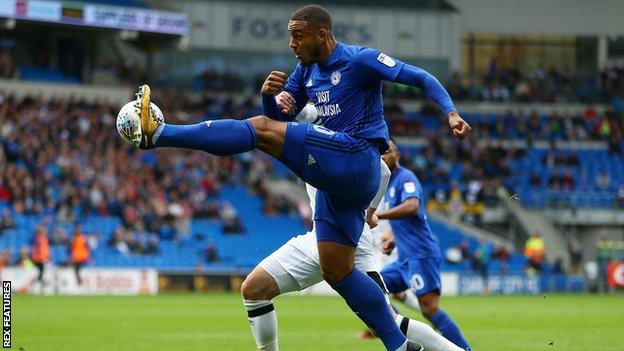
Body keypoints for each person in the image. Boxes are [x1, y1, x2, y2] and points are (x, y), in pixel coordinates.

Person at [121, 5, 470, 350]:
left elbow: (420, 77)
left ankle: (160, 134)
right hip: (339, 187)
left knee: (258, 130)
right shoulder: (304, 73)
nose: (292, 44)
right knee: (338, 272)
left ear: (322, 34)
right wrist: (267, 97)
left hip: (358, 156)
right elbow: (278, 119)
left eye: (297, 36)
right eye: (290, 36)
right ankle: (401, 347)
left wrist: (451, 113)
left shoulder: (360, 60)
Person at [241, 116, 463, 350]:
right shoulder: (320, 126)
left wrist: (369, 213)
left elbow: (384, 170)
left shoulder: (337, 132)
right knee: (254, 289)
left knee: (387, 322)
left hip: (348, 239)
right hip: (320, 237)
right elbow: (384, 172)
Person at [376, 139, 472, 350]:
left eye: (388, 151)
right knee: (373, 289)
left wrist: (378, 215)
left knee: (429, 309)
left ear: (397, 154)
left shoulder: (406, 178)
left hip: (421, 254)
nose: (383, 155)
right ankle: (406, 339)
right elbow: (404, 221)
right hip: (404, 259)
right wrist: (393, 238)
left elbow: (412, 206)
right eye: (380, 152)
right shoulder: (389, 183)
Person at [31, 226, 50, 292]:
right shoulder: (39, 239)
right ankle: (36, 285)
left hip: (41, 258)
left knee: (41, 273)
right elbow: (40, 250)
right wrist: (44, 258)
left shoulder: (42, 238)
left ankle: (40, 286)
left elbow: (45, 249)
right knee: (41, 273)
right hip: (39, 259)